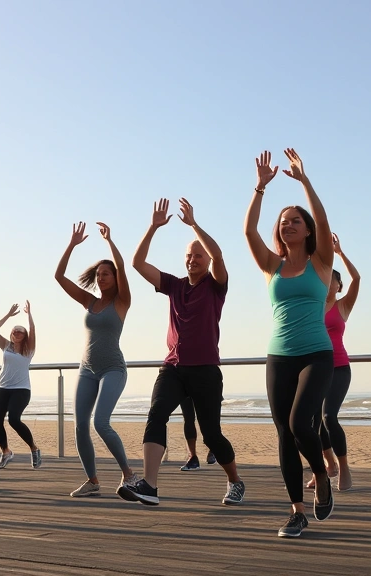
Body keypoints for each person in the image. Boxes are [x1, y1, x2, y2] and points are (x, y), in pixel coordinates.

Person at [120, 198, 244, 506]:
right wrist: (153, 227)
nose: (193, 259)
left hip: (205, 369)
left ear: (206, 260)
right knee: (156, 414)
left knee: (211, 435)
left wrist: (193, 225)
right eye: (189, 255)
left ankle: (235, 480)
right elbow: (137, 263)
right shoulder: (173, 285)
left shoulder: (216, 285)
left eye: (198, 255)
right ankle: (150, 486)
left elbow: (218, 254)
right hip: (173, 367)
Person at [244, 149, 335, 537]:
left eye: (296, 221)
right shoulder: (272, 265)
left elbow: (324, 220)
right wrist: (260, 188)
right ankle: (297, 510)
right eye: (284, 222)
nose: (289, 225)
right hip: (279, 355)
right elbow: (249, 232)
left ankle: (321, 473)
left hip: (317, 353)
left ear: (307, 229)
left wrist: (304, 181)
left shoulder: (322, 261)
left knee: (300, 422)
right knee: (284, 432)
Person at [55, 222, 138, 498]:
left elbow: (122, 266)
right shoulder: (89, 301)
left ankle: (129, 475)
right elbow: (59, 276)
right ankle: (92, 481)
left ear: (115, 278)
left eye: (106, 274)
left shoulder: (122, 301)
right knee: (80, 426)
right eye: (98, 274)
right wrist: (71, 244)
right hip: (87, 369)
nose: (101, 278)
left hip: (113, 368)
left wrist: (109, 241)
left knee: (101, 423)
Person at [307, 233, 360, 492]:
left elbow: (357, 279)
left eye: (333, 279)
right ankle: (327, 467)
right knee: (311, 422)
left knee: (328, 416)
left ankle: (344, 468)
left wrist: (339, 254)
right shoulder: (311, 305)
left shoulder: (343, 305)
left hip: (339, 367)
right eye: (325, 277)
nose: (328, 282)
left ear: (338, 286)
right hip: (315, 367)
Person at [0, 301, 41, 470]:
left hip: (21, 390)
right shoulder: (6, 346)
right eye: (14, 331)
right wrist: (8, 315)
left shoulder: (29, 349)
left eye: (20, 331)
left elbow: (32, 329)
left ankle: (34, 448)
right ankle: (6, 452)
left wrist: (29, 314)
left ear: (25, 335)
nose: (16, 333)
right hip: (3, 388)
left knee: (13, 419)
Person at [178, 398, 215, 471]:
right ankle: (193, 457)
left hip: (206, 391)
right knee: (188, 418)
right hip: (185, 392)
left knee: (207, 418)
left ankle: (213, 448)